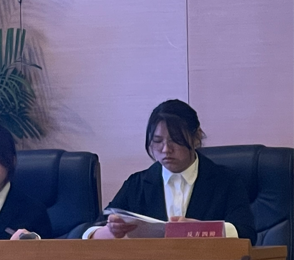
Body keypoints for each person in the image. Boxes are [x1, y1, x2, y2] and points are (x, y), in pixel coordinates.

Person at [86, 99, 256, 242]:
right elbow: (89, 233)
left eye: (175, 140)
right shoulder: (138, 184)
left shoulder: (226, 181)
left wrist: (201, 230)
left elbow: (246, 233)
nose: (166, 149)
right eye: (157, 141)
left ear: (196, 137)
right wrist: (112, 231)